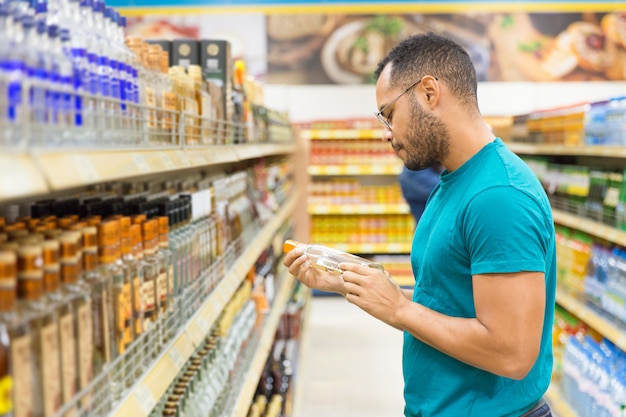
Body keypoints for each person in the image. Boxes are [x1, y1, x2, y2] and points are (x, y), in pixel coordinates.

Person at [284, 32, 556, 417]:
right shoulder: (453, 182)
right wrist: (350, 281)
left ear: (429, 92)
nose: (386, 133)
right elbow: (448, 304)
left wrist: (399, 309)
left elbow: (512, 354)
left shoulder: (499, 196)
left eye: (389, 113)